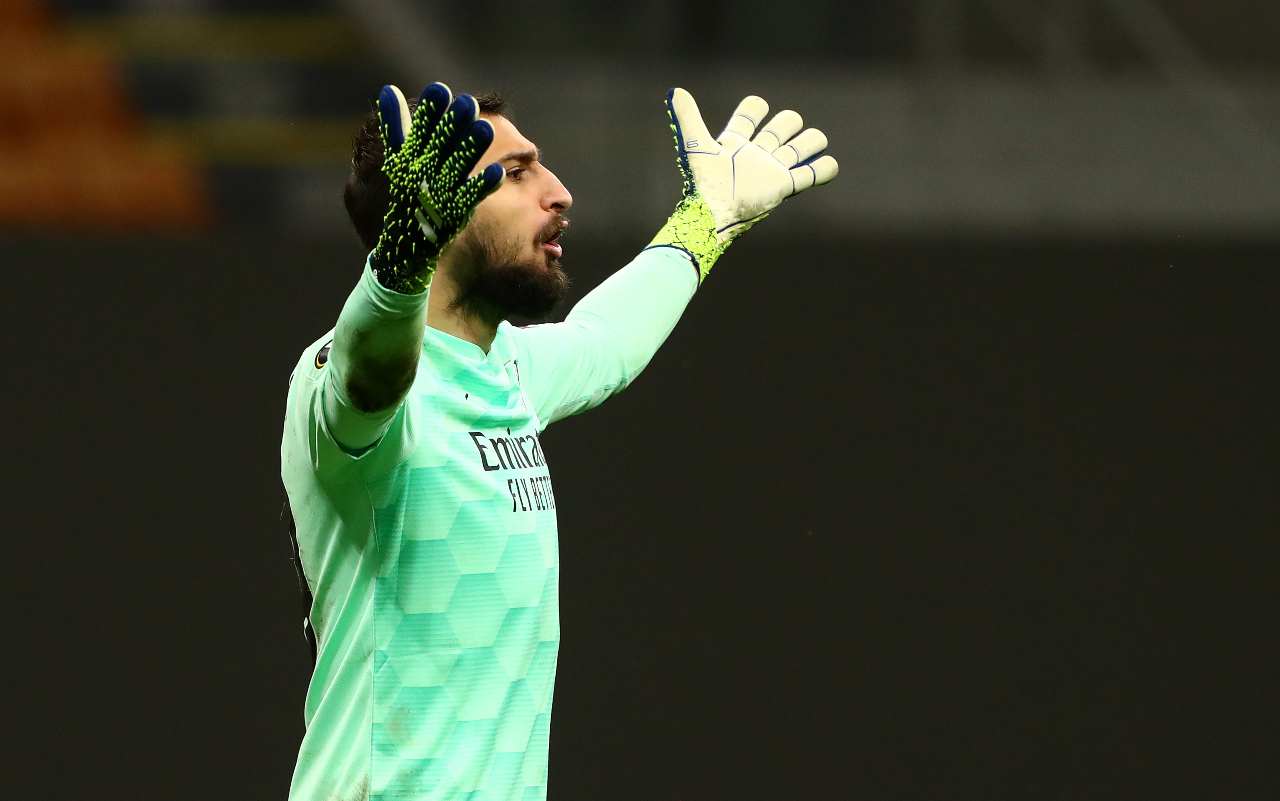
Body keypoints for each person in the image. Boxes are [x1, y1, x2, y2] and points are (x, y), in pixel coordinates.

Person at [280, 80, 837, 801]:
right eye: (516, 173)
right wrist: (398, 273)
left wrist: (707, 219)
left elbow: (605, 343)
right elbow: (370, 374)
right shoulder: (343, 382)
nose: (559, 192)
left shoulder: (505, 366)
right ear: (430, 205)